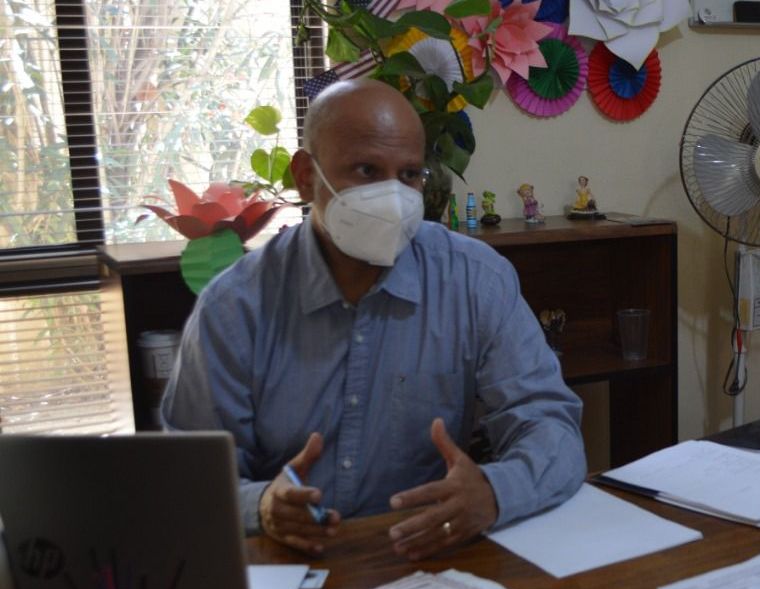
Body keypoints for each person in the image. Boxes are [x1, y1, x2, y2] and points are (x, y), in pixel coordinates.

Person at [162, 79, 586, 561]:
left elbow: (550, 425)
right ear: (306, 176)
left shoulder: (474, 280)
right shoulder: (234, 307)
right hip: (291, 562)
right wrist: (261, 506)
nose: (392, 197)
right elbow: (190, 478)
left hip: (425, 554)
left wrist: (494, 491)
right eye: (367, 171)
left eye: (409, 175)